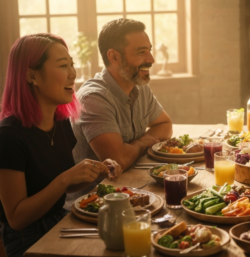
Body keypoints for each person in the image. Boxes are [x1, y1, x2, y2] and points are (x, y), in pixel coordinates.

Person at [0, 33, 121, 257]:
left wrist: (94, 171)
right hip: (26, 239)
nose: (73, 74)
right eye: (63, 65)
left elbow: (59, 186)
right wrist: (65, 178)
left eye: (72, 64)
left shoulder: (61, 122)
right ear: (31, 76)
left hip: (60, 220)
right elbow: (16, 218)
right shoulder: (8, 136)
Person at [67, 18, 173, 209]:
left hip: (133, 191)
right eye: (141, 52)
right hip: (93, 207)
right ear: (114, 57)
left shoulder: (139, 85)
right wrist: (145, 141)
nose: (151, 59)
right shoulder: (94, 98)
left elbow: (165, 125)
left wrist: (134, 146)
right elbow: (119, 160)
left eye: (149, 50)